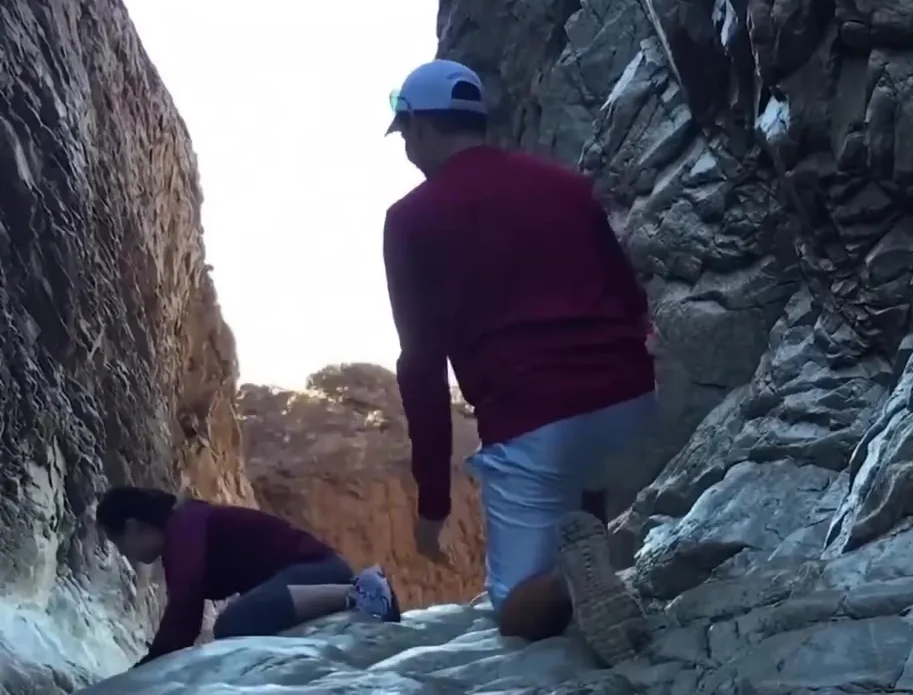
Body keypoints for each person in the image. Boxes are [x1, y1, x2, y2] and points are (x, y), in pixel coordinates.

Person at [382, 58, 656, 665]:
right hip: (632, 400)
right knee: (583, 501)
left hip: (533, 421)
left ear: (419, 128)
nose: (406, 148)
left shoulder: (411, 219)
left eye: (404, 135)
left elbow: (421, 365)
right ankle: (595, 561)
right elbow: (629, 293)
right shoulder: (566, 185)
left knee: (514, 610)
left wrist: (433, 501)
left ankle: (568, 580)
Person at [95, 486, 401, 666]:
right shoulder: (183, 528)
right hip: (305, 577)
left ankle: (360, 591)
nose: (123, 552)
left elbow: (184, 609)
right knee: (239, 627)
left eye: (118, 541)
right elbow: (185, 620)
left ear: (133, 527)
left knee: (235, 622)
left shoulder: (184, 528)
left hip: (319, 570)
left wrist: (147, 666)